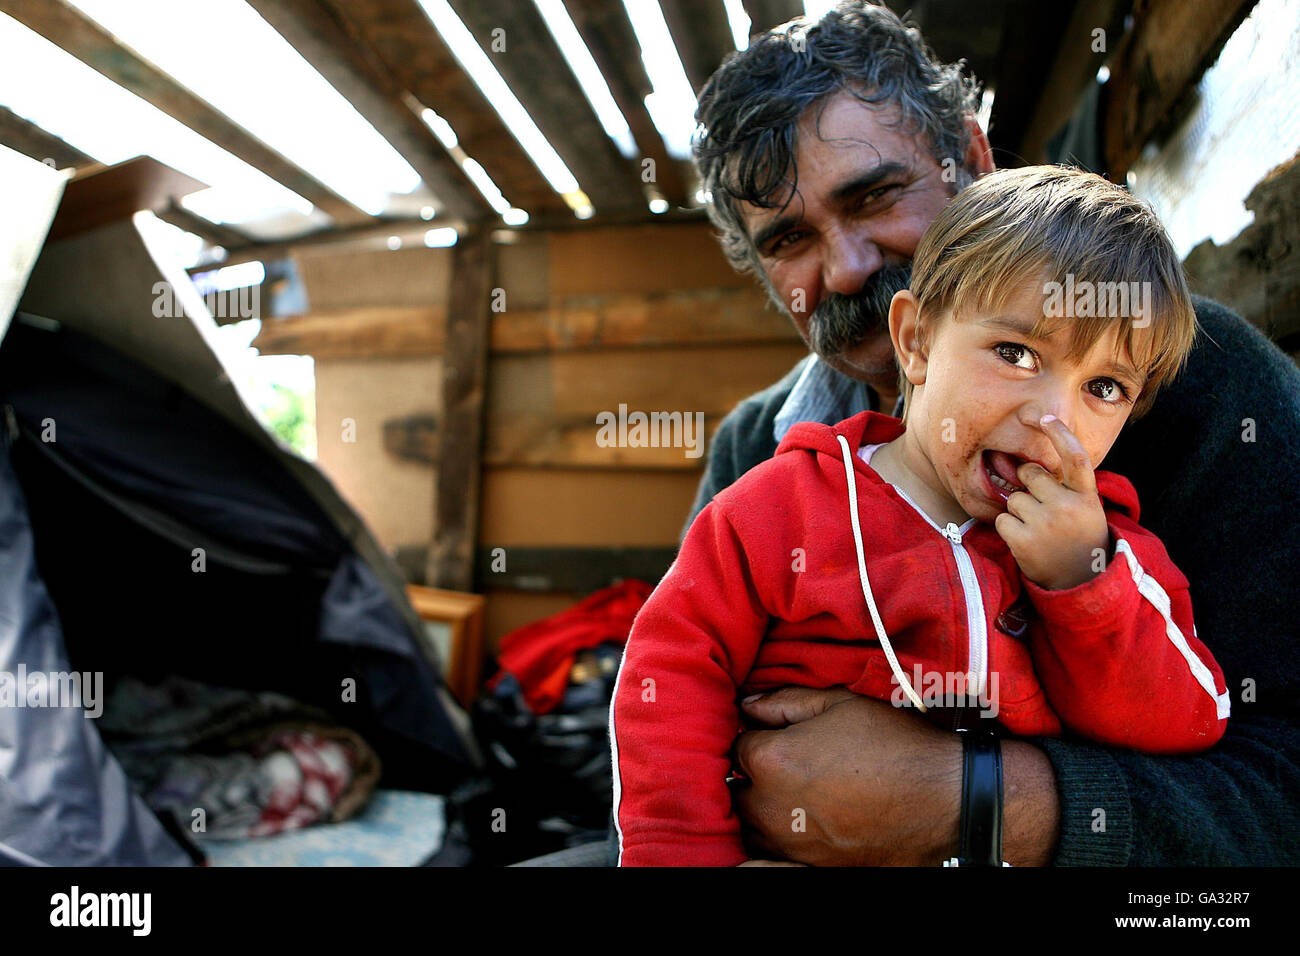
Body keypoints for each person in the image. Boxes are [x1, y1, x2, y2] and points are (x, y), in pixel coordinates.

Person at [679, 1, 1300, 866]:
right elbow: (660, 709)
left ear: (970, 158)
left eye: (875, 195)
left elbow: (1283, 781)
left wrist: (976, 798)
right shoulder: (756, 453)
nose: (849, 263)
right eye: (790, 238)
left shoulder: (1206, 390)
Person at [610, 165, 1230, 866]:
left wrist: (1083, 586)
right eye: (1016, 352)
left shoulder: (1111, 551)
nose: (1054, 416)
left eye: (1105, 386)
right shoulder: (779, 509)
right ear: (916, 341)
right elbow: (670, 675)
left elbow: (1186, 723)